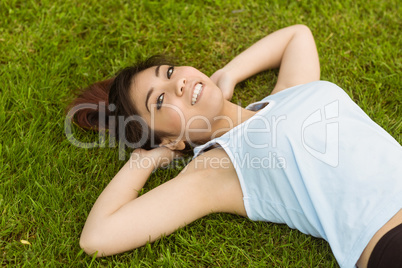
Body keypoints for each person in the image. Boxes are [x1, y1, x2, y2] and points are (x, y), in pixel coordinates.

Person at [69, 25, 402, 268]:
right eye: (159, 100)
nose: (178, 81)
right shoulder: (216, 169)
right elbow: (97, 237)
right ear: (172, 138)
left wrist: (228, 74)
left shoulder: (289, 91)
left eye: (169, 72)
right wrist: (149, 157)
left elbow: (297, 36)